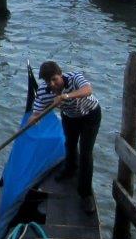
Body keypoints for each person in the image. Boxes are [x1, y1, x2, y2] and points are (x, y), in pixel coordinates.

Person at [32, 61, 101, 214]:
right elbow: (36, 113)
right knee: (69, 144)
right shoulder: (44, 91)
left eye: (54, 79)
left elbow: (88, 89)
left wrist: (66, 96)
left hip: (90, 115)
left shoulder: (75, 77)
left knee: (85, 153)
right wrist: (33, 120)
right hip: (70, 117)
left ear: (61, 74)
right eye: (48, 81)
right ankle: (70, 169)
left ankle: (85, 194)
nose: (52, 84)